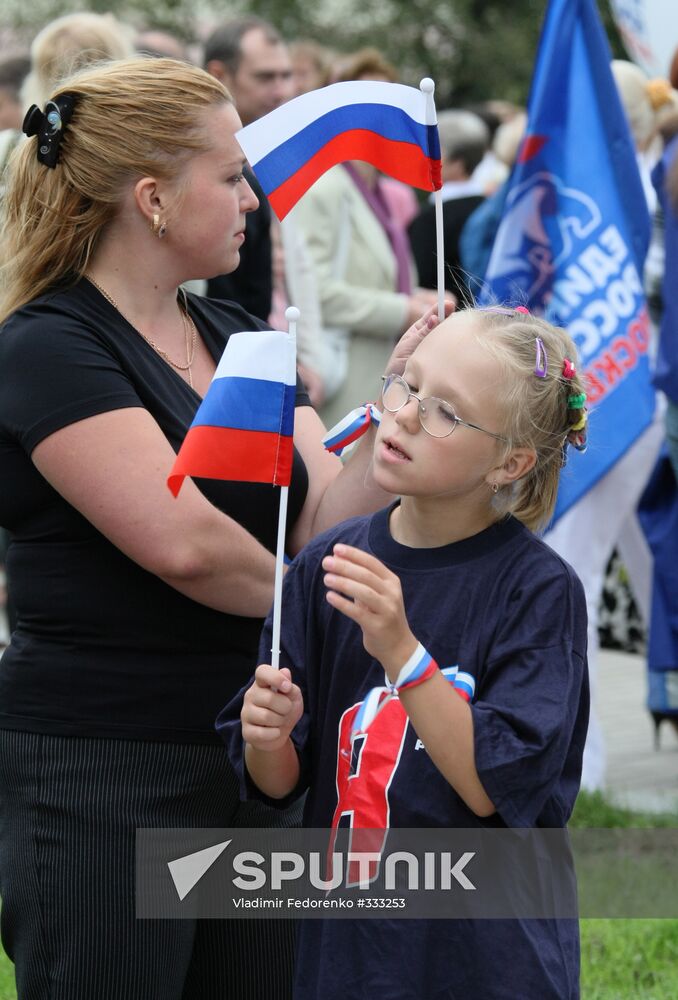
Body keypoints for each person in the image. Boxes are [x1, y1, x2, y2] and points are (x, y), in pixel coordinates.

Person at [0, 56, 442, 1000]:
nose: (255, 197)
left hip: (254, 759)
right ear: (153, 198)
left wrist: (402, 398)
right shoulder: (47, 344)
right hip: (104, 775)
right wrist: (354, 617)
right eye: (234, 174)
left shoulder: (237, 334)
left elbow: (323, 514)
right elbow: (186, 547)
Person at [219, 305, 590, 1000]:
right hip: (351, 955)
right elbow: (277, 781)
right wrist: (267, 734)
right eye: (408, 385)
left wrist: (402, 652)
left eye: (447, 411)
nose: (409, 414)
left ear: (510, 461)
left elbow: (490, 785)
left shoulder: (538, 592)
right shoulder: (330, 561)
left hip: (484, 958)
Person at [203, 16, 295, 319]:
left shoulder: (288, 161)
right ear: (219, 74)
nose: (281, 91)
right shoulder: (193, 168)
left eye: (286, 76)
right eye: (265, 77)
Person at [408, 108, 489, 303]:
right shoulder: (491, 208)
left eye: (435, 151)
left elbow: (422, 281)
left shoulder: (430, 220)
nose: (424, 158)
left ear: (458, 164)